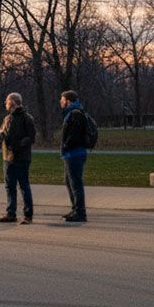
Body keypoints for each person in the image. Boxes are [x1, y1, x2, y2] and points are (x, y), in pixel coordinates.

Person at [0, 92, 36, 224]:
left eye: (7, 101)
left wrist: (19, 145)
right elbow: (3, 136)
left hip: (21, 158)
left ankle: (28, 214)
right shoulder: (8, 118)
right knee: (10, 186)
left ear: (13, 102)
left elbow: (31, 137)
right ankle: (11, 213)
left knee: (23, 186)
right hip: (8, 158)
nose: (6, 104)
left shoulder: (26, 118)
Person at [59, 90, 89, 222]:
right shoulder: (71, 113)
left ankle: (80, 212)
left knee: (75, 183)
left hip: (75, 153)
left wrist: (66, 145)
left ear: (68, 101)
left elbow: (74, 135)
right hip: (70, 153)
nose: (60, 102)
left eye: (62, 99)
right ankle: (75, 208)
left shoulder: (75, 114)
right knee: (69, 182)